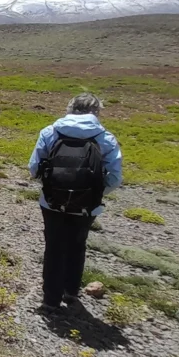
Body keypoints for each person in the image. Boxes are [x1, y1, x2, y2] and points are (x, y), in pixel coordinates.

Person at [28, 92, 123, 311]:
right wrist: (95, 193)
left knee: (54, 247)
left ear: (70, 108)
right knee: (77, 244)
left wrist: (51, 185)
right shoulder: (106, 138)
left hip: (52, 202)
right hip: (87, 206)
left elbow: (34, 168)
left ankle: (50, 300)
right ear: (97, 111)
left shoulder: (50, 132)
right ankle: (70, 292)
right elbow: (115, 178)